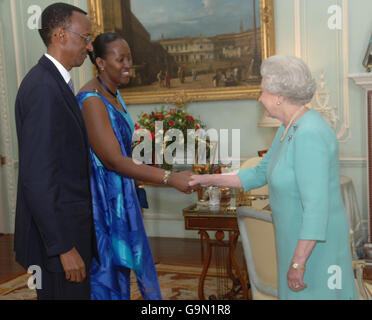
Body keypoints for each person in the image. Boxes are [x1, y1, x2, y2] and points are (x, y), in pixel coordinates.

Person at [189, 55, 359, 300]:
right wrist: (204, 180)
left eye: (262, 91)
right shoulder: (288, 127)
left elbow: (316, 207)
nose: (259, 98)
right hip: (295, 240)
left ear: (279, 95)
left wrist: (299, 263)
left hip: (316, 247)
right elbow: (258, 174)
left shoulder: (309, 132)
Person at [76, 33, 196, 300]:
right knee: (106, 275)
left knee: (122, 272)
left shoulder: (113, 94)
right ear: (101, 62)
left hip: (121, 195)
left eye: (129, 57)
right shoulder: (92, 100)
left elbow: (124, 148)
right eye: (121, 59)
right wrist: (169, 177)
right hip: (103, 202)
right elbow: (113, 160)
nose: (129, 64)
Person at [14, 3, 98, 300]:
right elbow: (38, 178)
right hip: (58, 243)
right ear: (61, 35)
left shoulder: (54, 83)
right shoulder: (43, 89)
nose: (89, 47)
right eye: (85, 38)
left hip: (67, 231)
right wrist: (63, 247)